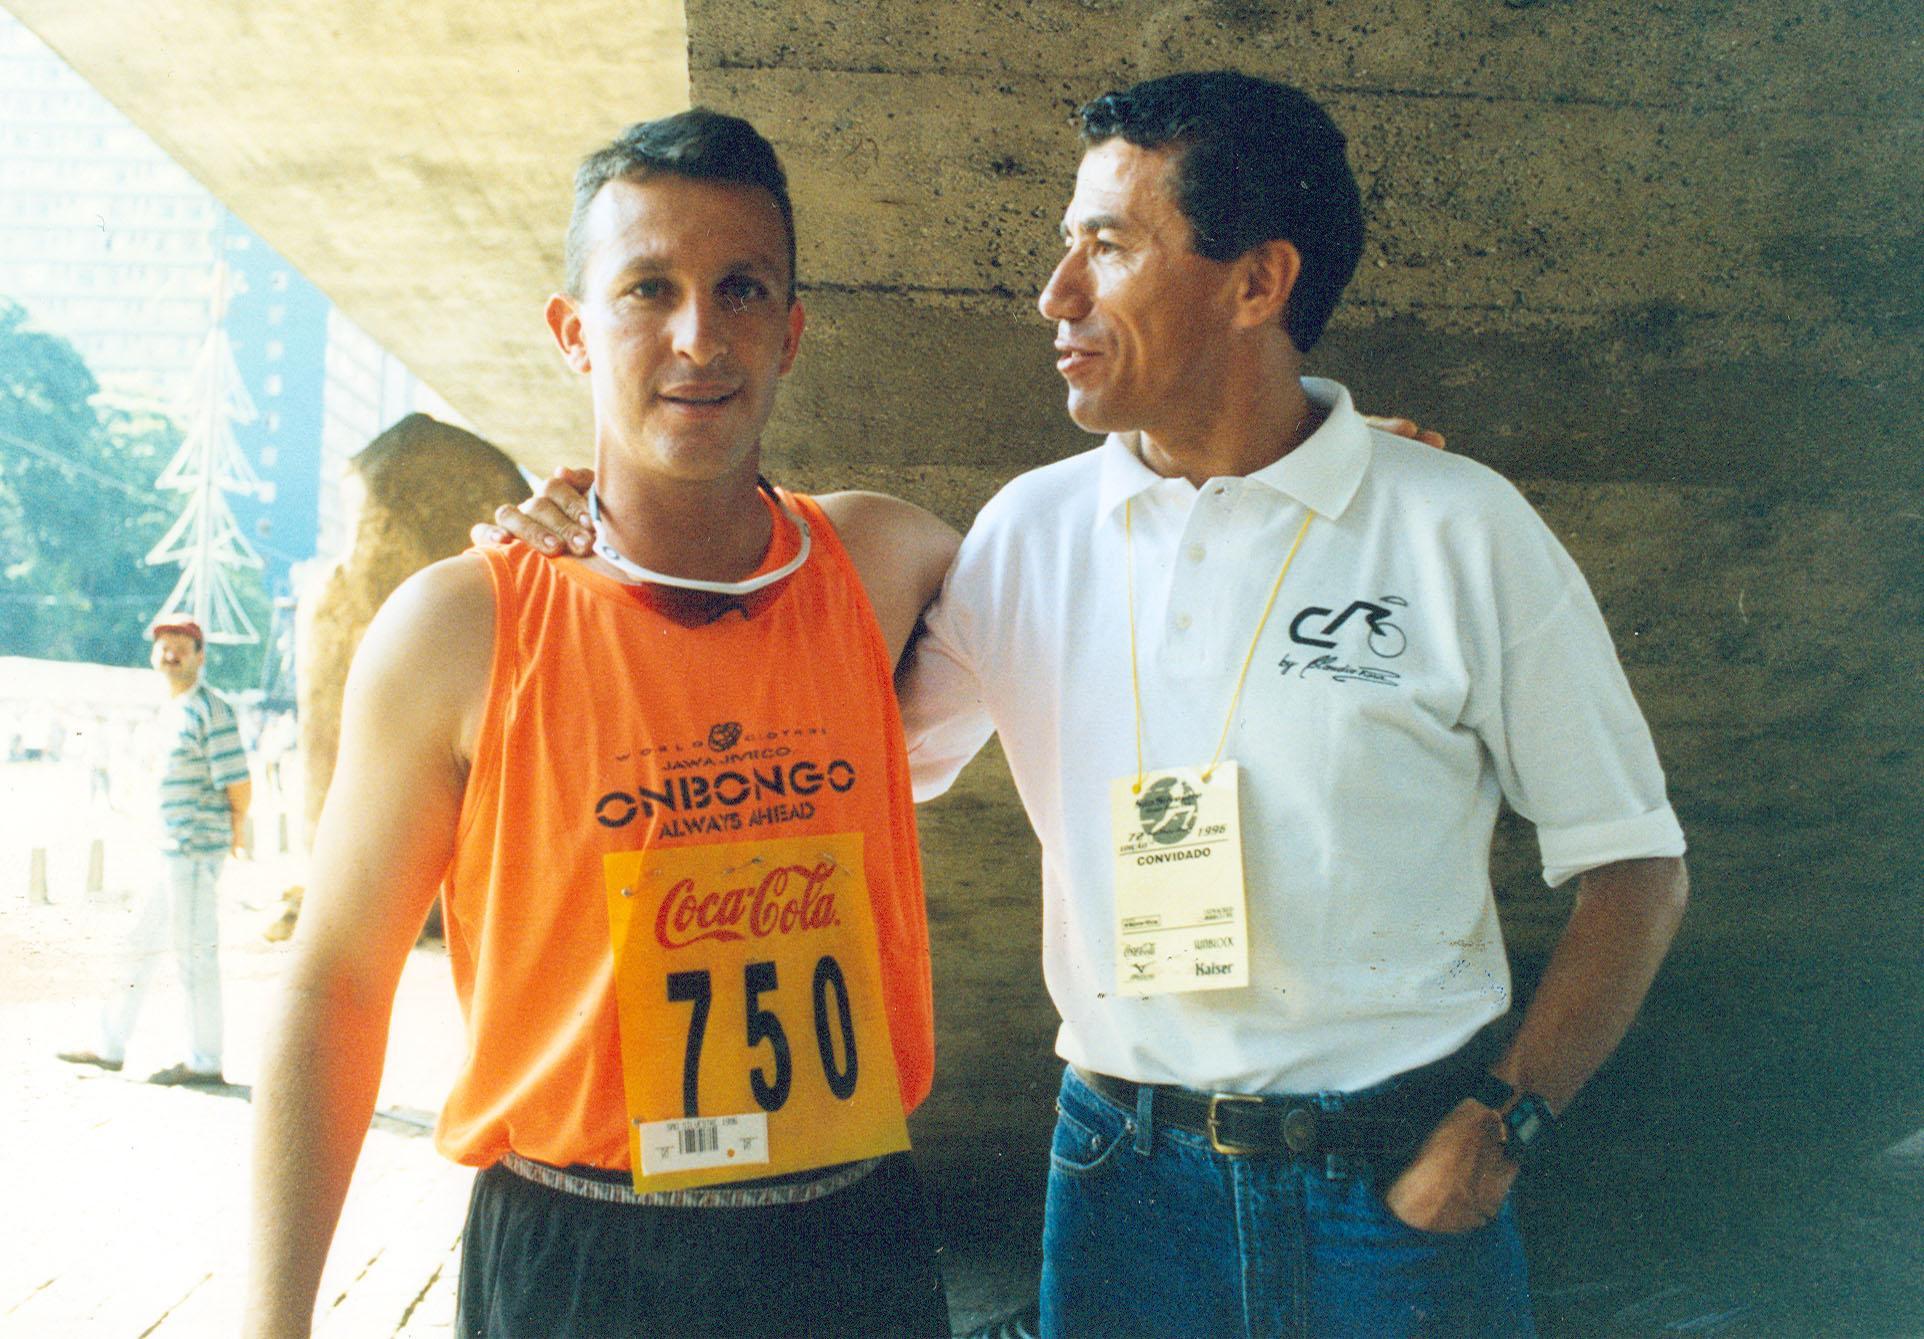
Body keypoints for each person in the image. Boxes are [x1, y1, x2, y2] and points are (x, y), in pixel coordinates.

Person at [509, 71, 1691, 1337]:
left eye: (1109, 248)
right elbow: (818, 760)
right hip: (1118, 1187)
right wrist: (606, 528)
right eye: (1066, 245)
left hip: (1392, 1193)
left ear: (1256, 284)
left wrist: (1499, 1125)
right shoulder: (1024, 532)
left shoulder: (1459, 527)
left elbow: (1636, 867)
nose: (1054, 295)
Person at [244, 110, 961, 1339]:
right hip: (581, 1254)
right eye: (647, 289)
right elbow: (340, 980)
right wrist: (274, 1324)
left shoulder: (885, 560)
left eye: (741, 289)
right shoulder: (457, 629)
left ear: (789, 332)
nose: (699, 336)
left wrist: (1309, 472)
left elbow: (1116, 568)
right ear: (574, 332)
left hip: (853, 1242)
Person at [59, 618, 251, 1086]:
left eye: (181, 647)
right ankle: (108, 1046)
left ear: (200, 655)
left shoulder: (212, 709)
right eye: (164, 647)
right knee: (138, 947)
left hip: (193, 851)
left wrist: (235, 835)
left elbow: (240, 785)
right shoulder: (170, 709)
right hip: (169, 852)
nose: (171, 655)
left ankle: (204, 1060)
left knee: (194, 956)